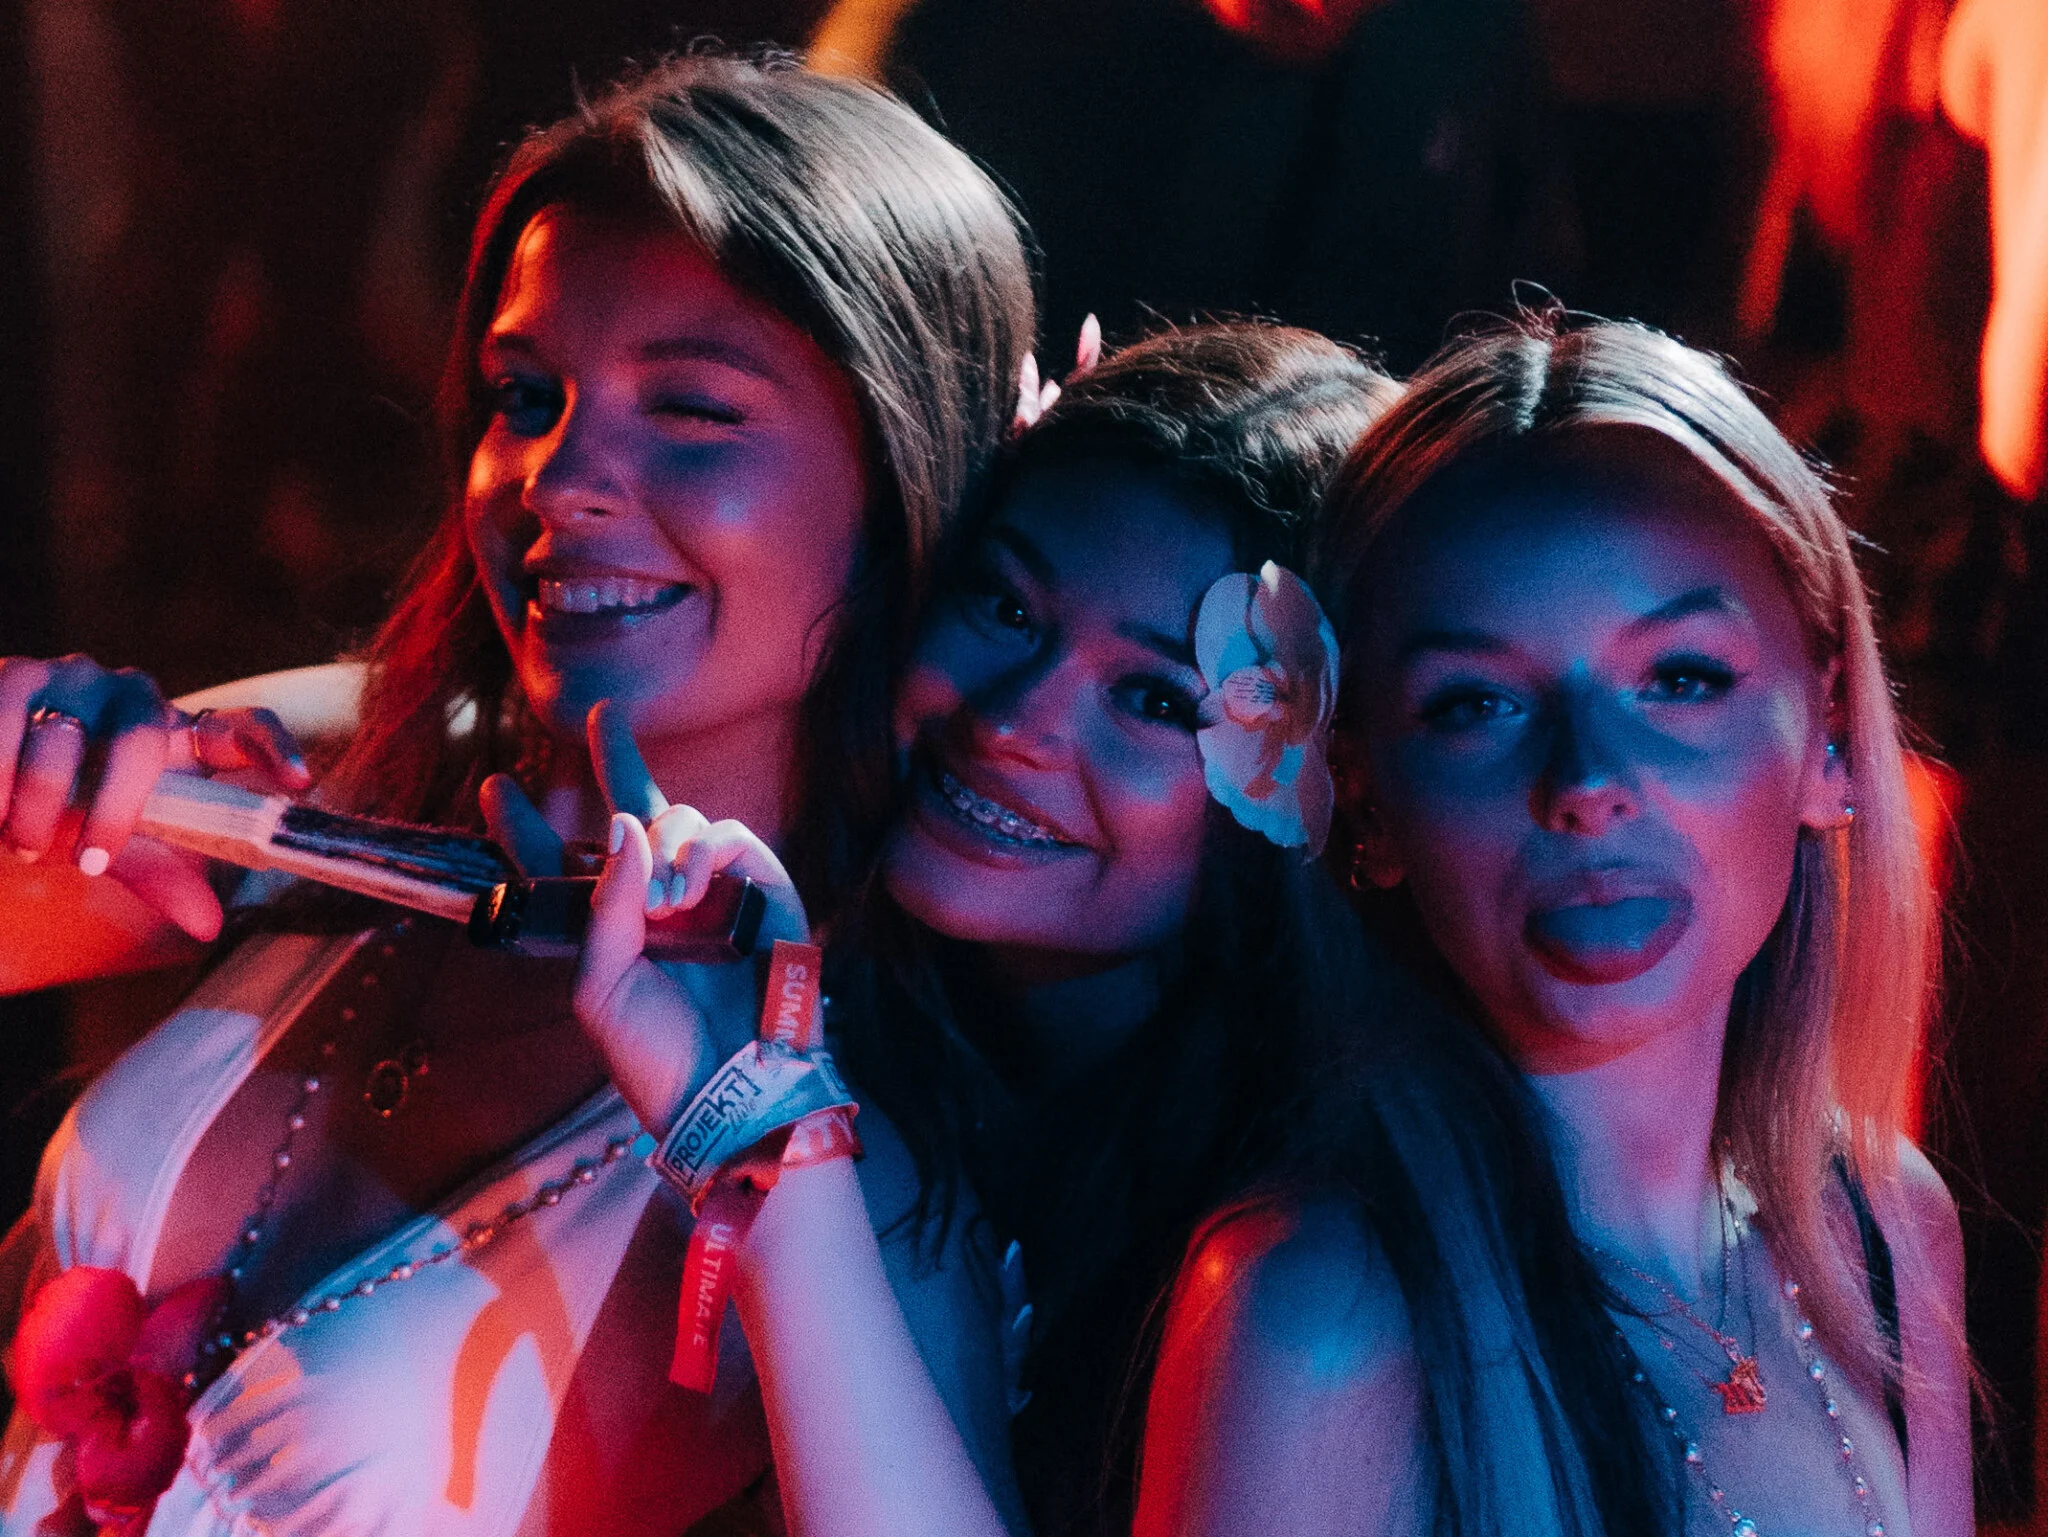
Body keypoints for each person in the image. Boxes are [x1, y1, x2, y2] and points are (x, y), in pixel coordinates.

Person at [0, 51, 1034, 1536]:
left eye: (690, 409)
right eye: (523, 395)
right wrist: (38, 769)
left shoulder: (855, 1154)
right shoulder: (354, 775)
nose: (555, 478)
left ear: (904, 470)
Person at [1136, 312, 1974, 1536]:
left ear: (1830, 738)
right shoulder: (1319, 1315)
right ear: (1361, 796)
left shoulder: (1881, 1223)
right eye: (1473, 702)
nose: (1584, 782)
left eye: (1677, 677)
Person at [560, 322, 1401, 1536]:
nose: (1016, 720)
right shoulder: (786, 973)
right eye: (1004, 607)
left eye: (1155, 697)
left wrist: (776, 1138)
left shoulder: (1311, 1263)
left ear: (1328, 791)